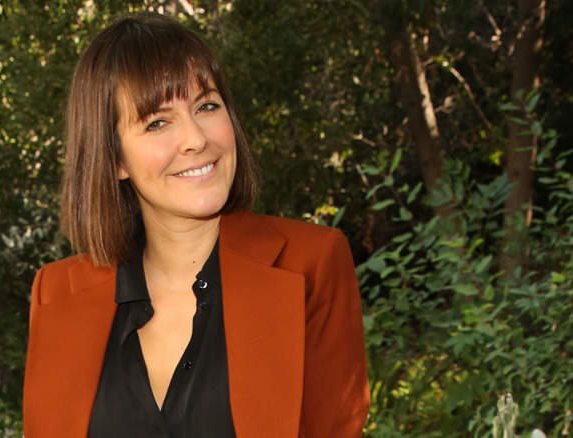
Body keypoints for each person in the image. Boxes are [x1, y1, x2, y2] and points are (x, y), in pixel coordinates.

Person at [23, 12, 369, 438]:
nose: (195, 138)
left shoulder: (310, 264)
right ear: (113, 159)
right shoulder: (54, 293)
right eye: (157, 122)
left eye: (206, 106)